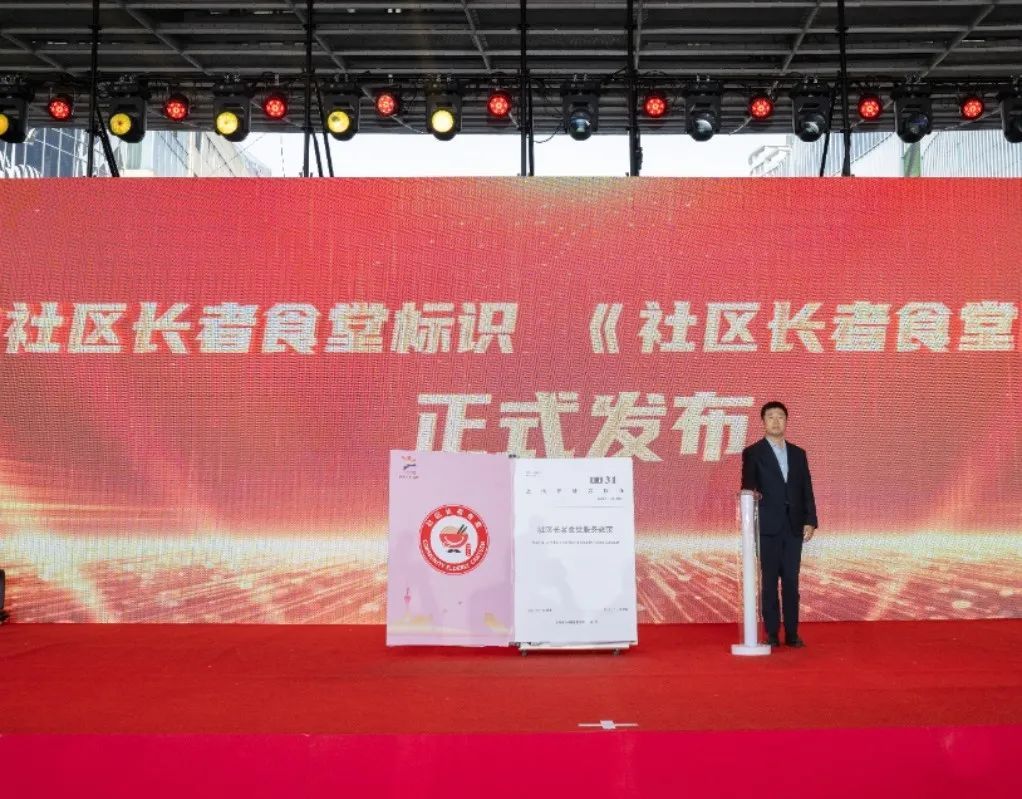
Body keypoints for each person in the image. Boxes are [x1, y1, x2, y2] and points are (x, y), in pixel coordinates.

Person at [741, 401, 817, 648]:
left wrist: (810, 520)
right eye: (771, 416)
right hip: (767, 527)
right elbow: (747, 491)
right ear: (763, 422)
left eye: (780, 416)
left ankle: (792, 633)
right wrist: (749, 525)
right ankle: (772, 633)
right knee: (770, 581)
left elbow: (806, 489)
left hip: (794, 526)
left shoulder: (798, 454)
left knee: (792, 581)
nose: (776, 421)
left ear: (786, 421)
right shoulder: (753, 453)